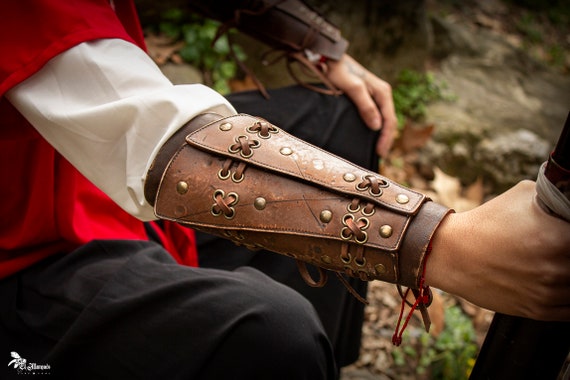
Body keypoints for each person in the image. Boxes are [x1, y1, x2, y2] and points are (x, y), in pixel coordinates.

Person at [0, 1, 568, 379]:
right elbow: (149, 136)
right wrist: (436, 242)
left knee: (349, 118)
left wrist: (320, 47)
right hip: (24, 253)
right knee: (269, 333)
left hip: (80, 180)